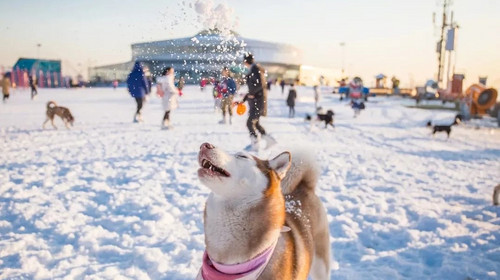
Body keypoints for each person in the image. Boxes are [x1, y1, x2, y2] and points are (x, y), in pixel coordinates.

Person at [239, 53, 276, 151]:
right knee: (256, 123)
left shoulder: (256, 69)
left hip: (258, 101)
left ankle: (255, 144)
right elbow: (254, 87)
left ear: (245, 61)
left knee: (250, 123)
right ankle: (269, 140)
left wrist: (251, 94)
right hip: (256, 100)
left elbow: (261, 84)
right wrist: (244, 99)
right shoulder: (254, 69)